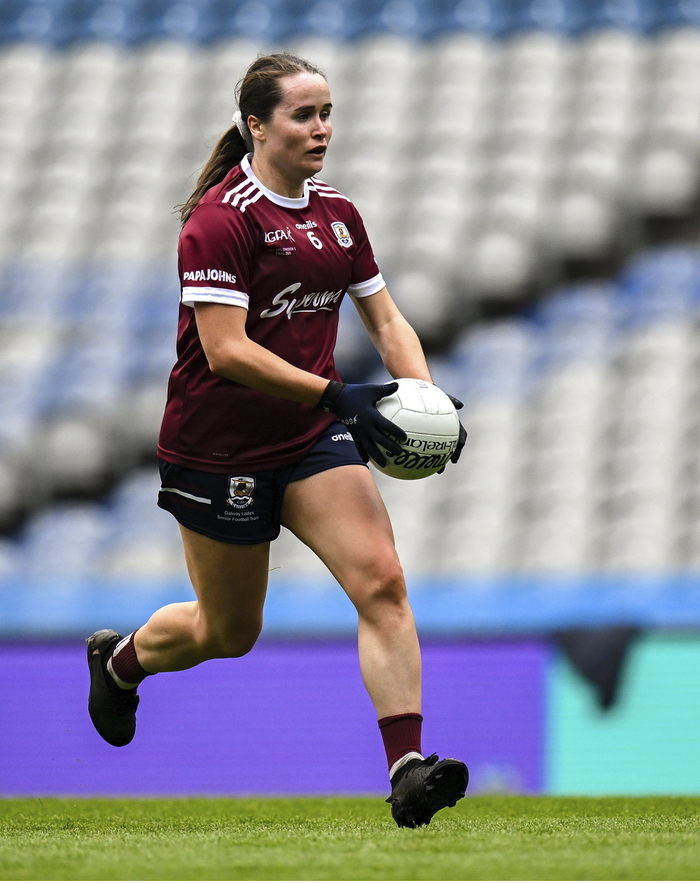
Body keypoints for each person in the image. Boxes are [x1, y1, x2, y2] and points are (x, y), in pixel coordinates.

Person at [86, 52, 468, 828]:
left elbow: (388, 321)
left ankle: (406, 768)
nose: (322, 128)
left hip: (310, 438)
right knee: (227, 631)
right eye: (304, 115)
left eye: (327, 112)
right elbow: (225, 352)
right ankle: (120, 662)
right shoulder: (220, 221)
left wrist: (426, 399)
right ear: (256, 126)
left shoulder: (339, 215)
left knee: (383, 582)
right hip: (216, 448)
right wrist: (341, 392)